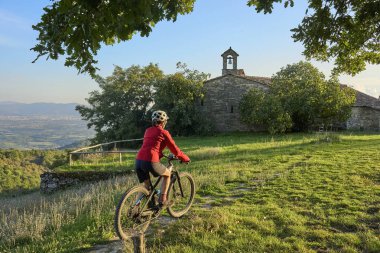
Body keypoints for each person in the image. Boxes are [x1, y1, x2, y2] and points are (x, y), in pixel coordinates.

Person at [135, 110, 190, 207]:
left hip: (138, 161)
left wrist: (160, 155)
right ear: (164, 122)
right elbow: (175, 149)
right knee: (167, 175)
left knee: (146, 186)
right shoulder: (164, 132)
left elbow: (152, 146)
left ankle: (135, 208)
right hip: (150, 161)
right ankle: (162, 200)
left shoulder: (148, 130)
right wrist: (185, 158)